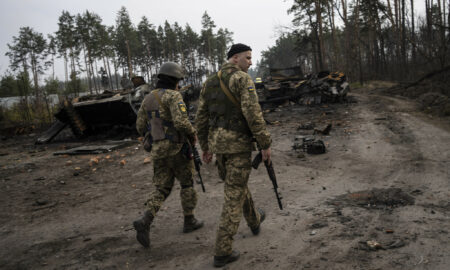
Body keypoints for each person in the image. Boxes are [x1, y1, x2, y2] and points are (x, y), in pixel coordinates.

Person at [195, 43, 272, 267]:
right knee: (233, 196)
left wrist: (206, 146)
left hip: (220, 147)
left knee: (235, 187)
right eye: (248, 58)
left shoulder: (209, 82)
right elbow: (253, 114)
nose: (251, 62)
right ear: (235, 58)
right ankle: (222, 251)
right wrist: (265, 143)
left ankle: (254, 220)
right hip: (238, 146)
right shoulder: (241, 79)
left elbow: (201, 117)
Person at [133, 62, 204, 249]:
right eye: (179, 81)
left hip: (157, 150)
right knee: (187, 183)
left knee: (162, 188)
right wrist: (193, 134)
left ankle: (146, 219)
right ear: (175, 81)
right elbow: (181, 122)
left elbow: (140, 127)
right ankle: (189, 220)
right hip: (177, 148)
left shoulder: (148, 98)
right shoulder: (174, 97)